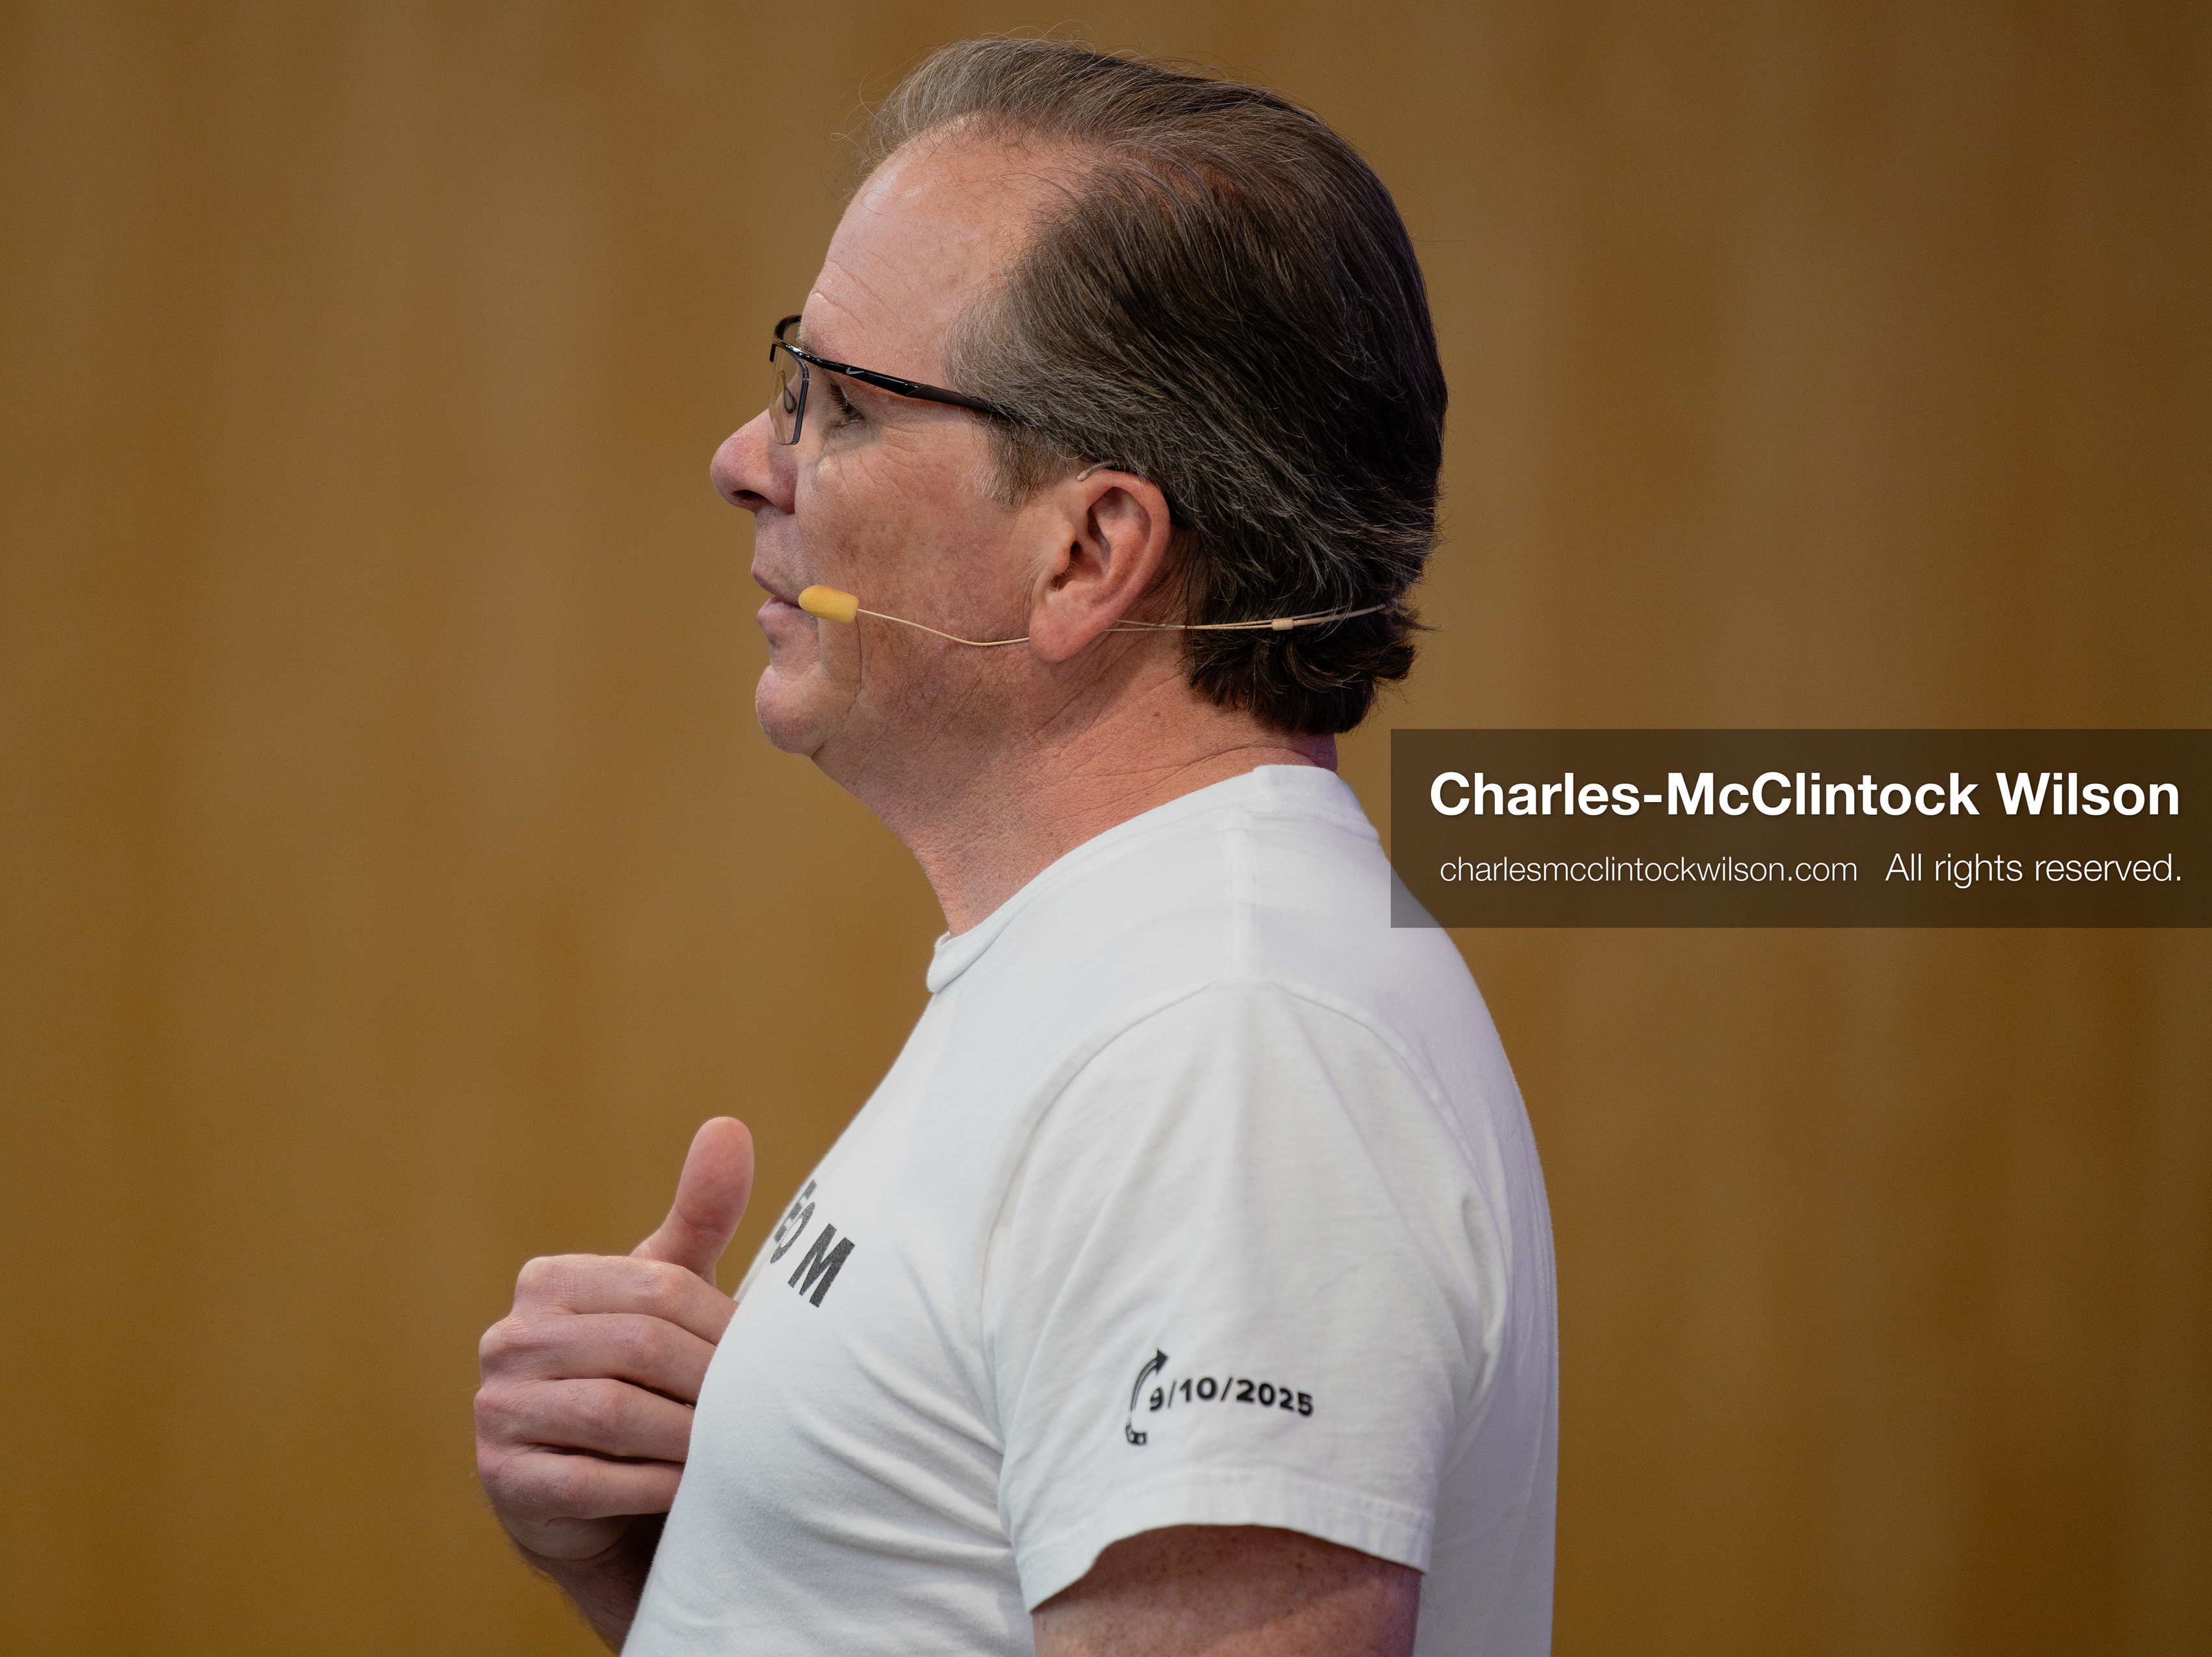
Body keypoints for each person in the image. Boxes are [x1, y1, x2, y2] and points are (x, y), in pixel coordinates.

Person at [474, 38, 1556, 1657]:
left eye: (842, 405)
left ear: (1088, 551)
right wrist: (701, 1564)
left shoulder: (1227, 1045)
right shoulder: (1136, 972)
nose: (747, 460)